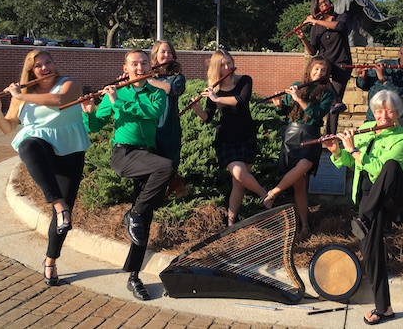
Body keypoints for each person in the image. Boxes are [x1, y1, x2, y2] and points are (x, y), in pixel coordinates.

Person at [0, 50, 91, 287]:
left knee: (62, 219)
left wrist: (22, 95)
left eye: (48, 62)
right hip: (42, 148)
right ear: (31, 71)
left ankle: (51, 260)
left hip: (70, 150)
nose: (45, 68)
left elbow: (59, 101)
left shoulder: (70, 84)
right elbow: (7, 127)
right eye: (39, 66)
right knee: (27, 143)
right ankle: (57, 201)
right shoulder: (22, 94)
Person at [81, 49, 173, 301]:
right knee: (165, 169)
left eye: (144, 62)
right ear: (126, 68)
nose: (140, 67)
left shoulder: (158, 93)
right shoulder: (116, 92)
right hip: (124, 154)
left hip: (148, 156)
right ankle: (132, 214)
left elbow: (150, 113)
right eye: (135, 63)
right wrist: (88, 111)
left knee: (142, 220)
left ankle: (133, 276)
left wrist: (117, 102)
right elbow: (95, 126)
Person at [323, 90, 403, 325]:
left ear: (397, 113)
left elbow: (380, 169)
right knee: (370, 249)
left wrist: (354, 150)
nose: (383, 115)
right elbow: (347, 161)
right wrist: (338, 151)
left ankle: (365, 218)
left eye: (389, 110)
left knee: (391, 166)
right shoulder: (366, 129)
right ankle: (384, 308)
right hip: (369, 198)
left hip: (395, 194)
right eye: (379, 110)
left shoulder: (402, 137)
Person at [191, 50, 268, 226]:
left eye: (229, 63)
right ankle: (265, 194)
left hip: (246, 135)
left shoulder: (244, 81)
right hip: (226, 139)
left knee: (239, 183)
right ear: (216, 68)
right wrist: (197, 109)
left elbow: (242, 100)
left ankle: (231, 222)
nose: (227, 67)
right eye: (223, 65)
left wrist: (217, 98)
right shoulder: (214, 89)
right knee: (239, 173)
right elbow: (208, 117)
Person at [264, 56, 334, 236]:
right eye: (317, 68)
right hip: (292, 135)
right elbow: (287, 112)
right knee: (299, 186)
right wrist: (279, 105)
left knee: (305, 165)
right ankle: (304, 226)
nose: (319, 73)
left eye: (324, 70)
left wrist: (298, 99)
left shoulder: (327, 92)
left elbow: (316, 114)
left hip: (310, 135)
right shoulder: (297, 85)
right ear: (310, 68)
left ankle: (272, 193)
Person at [355, 38, 403, 149]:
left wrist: (384, 81)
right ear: (399, 54)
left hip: (397, 125)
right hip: (373, 120)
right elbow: (363, 85)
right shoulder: (383, 65)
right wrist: (363, 77)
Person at [296, 0, 352, 135]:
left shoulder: (341, 16)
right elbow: (313, 50)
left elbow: (339, 26)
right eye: (320, 4)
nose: (324, 4)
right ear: (316, 7)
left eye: (325, 1)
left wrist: (316, 21)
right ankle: (312, 129)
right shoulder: (316, 27)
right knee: (326, 98)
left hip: (341, 63)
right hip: (325, 65)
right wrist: (303, 38)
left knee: (335, 102)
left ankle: (330, 136)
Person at [148, 40, 187, 200]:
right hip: (149, 125)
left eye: (169, 52)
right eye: (163, 52)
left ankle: (172, 189)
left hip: (169, 125)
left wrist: (148, 81)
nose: (166, 55)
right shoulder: (146, 75)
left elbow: (172, 90)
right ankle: (163, 193)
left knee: (170, 162)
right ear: (155, 55)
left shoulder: (177, 78)